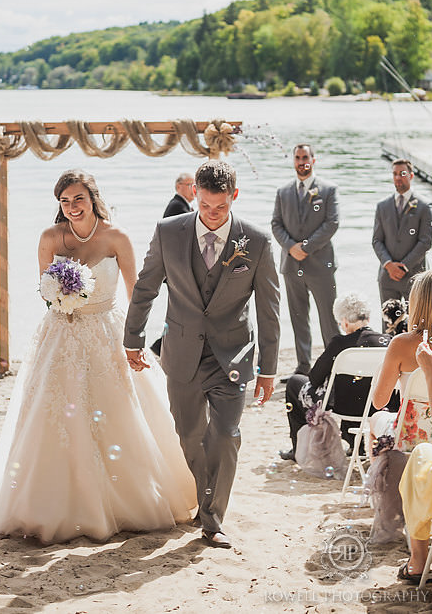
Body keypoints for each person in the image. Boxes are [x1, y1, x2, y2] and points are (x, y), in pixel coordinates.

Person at [0, 170, 196, 543]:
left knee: (119, 412)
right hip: (60, 333)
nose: (71, 208)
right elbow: (44, 290)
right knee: (55, 416)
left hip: (106, 331)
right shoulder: (50, 238)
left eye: (77, 199)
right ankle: (53, 504)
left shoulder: (117, 237)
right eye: (64, 201)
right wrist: (61, 295)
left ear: (93, 198)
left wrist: (137, 341)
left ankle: (127, 500)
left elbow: (137, 294)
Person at [124, 160, 281, 549]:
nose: (213, 215)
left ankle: (212, 520)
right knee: (189, 435)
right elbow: (146, 288)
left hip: (234, 355)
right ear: (194, 193)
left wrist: (268, 369)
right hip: (181, 353)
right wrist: (133, 339)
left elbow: (269, 309)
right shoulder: (168, 232)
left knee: (226, 435)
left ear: (234, 197)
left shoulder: (257, 242)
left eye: (221, 207)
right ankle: (204, 495)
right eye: (206, 205)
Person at [281, 293, 394, 462]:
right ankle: (356, 446)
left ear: (345, 321)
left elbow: (314, 378)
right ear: (368, 318)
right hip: (379, 406)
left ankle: (298, 449)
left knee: (294, 382)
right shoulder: (388, 341)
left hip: (345, 407)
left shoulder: (340, 344)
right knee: (361, 386)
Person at [271, 143, 341, 376]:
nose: (302, 162)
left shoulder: (329, 190)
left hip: (321, 266)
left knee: (328, 318)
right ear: (294, 161)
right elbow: (276, 224)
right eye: (298, 158)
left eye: (305, 157)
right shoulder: (283, 192)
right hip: (292, 266)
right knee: (298, 318)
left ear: (313, 159)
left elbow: (332, 223)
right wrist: (291, 247)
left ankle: (334, 366)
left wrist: (307, 247)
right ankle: (303, 367)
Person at [393, 273, 432, 582]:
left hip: (414, 437)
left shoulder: (404, 345)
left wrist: (429, 371)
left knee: (420, 456)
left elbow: (379, 399)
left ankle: (418, 560)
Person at [371, 269, 432, 453]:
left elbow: (379, 401)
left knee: (375, 419)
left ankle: (379, 481)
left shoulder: (401, 344)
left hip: (409, 437)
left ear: (417, 305)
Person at [372, 158, 432, 321]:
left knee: (416, 323)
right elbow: (377, 240)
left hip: (414, 276)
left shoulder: (425, 206)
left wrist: (404, 266)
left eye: (402, 174)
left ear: (411, 176)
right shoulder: (382, 206)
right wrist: (389, 265)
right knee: (388, 326)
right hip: (387, 276)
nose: (398, 177)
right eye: (394, 174)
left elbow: (426, 241)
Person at [150, 173, 197, 356]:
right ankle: (160, 346)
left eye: (195, 185)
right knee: (182, 313)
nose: (194, 189)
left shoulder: (182, 205)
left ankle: (161, 345)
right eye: (189, 184)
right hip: (177, 271)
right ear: (178, 187)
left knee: (182, 313)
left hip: (176, 270)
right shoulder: (177, 206)